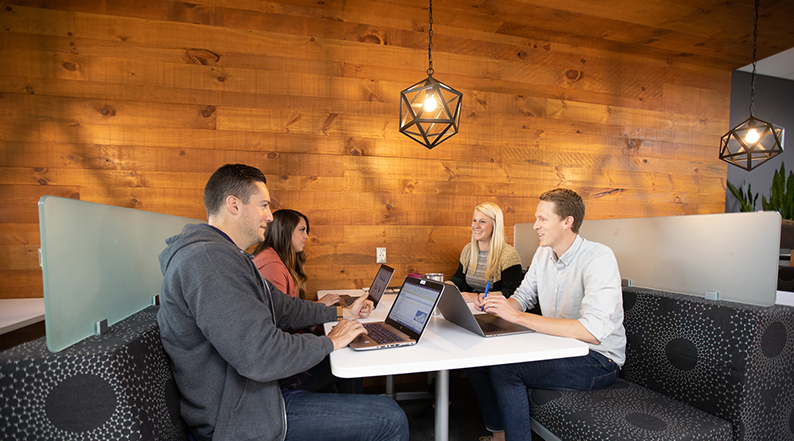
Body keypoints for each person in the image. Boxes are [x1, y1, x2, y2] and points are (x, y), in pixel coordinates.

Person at [157, 164, 409, 441]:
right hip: (242, 416)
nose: (269, 216)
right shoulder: (210, 262)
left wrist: (341, 312)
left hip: (253, 393)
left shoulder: (227, 256)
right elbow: (261, 355)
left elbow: (283, 307)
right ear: (234, 204)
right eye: (264, 205)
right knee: (390, 417)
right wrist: (331, 341)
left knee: (344, 365)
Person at [468, 189, 625, 441]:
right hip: (557, 346)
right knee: (476, 360)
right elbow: (523, 296)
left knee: (506, 369)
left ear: (567, 222)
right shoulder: (543, 253)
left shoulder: (598, 257)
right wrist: (498, 306)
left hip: (597, 359)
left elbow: (593, 332)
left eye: (542, 219)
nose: (535, 225)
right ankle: (500, 433)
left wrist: (517, 317)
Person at [252, 209, 339, 306]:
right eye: (302, 230)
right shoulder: (271, 266)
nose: (306, 236)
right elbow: (281, 314)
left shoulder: (275, 258)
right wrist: (319, 305)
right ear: (285, 231)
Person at [448, 202, 523, 303]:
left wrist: (477, 297)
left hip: (494, 310)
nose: (476, 226)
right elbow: (458, 279)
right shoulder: (468, 249)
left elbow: (510, 293)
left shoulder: (509, 254)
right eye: (474, 220)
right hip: (471, 307)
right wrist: (444, 286)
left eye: (482, 222)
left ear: (495, 225)